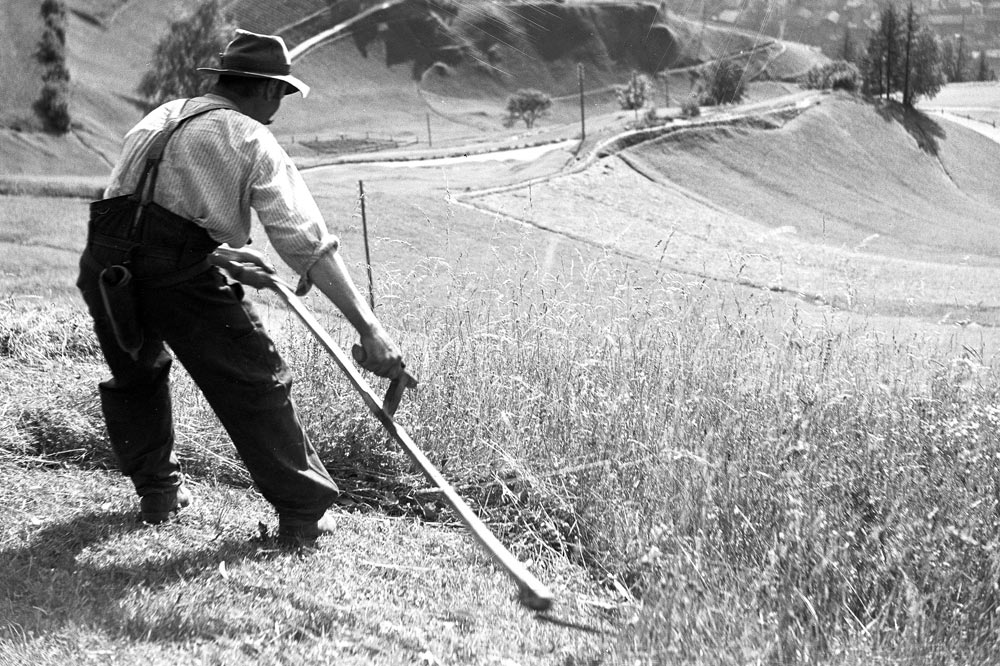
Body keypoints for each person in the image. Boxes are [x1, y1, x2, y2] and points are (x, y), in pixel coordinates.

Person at [77, 29, 406, 545]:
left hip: (104, 268)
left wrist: (222, 254)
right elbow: (307, 243)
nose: (280, 104)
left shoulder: (159, 117)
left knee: (137, 372)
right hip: (179, 280)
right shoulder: (250, 138)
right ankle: (303, 511)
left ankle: (158, 493)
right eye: (281, 93)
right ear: (269, 89)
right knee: (256, 380)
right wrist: (369, 327)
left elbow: (134, 212)